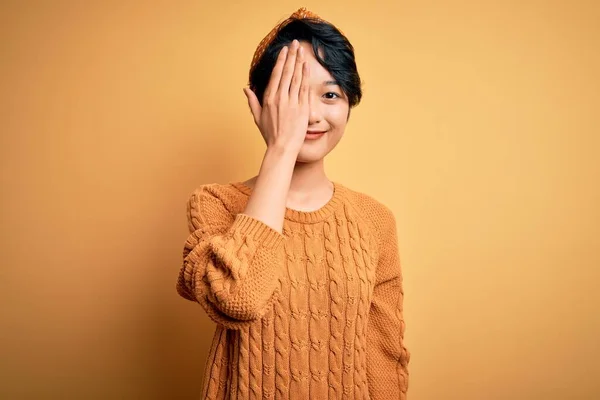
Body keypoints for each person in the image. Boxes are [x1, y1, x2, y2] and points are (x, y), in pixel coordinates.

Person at [176, 7, 410, 399]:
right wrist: (281, 149)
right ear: (261, 103)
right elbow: (240, 298)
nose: (311, 114)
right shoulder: (214, 203)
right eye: (293, 95)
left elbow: (383, 356)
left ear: (349, 104)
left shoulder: (375, 220)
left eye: (330, 94)